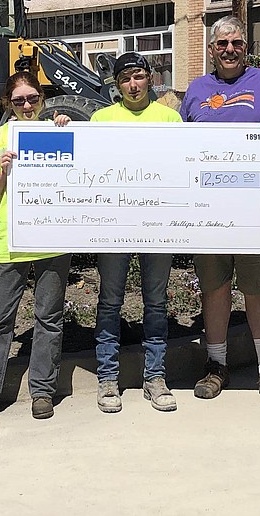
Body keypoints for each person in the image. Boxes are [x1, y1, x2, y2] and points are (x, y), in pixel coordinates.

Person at [180, 16, 260, 409]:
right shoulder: (197, 91)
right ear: (212, 48)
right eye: (222, 44)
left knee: (256, 287)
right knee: (214, 289)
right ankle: (216, 364)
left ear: (245, 47)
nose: (230, 50)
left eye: (236, 43)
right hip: (206, 211)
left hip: (253, 209)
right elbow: (176, 145)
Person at [0, 72, 72, 425]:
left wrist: (67, 128)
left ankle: (42, 391)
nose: (27, 106)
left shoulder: (58, 130)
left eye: (33, 99)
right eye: (19, 101)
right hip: (12, 242)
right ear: (8, 104)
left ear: (43, 99)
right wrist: (2, 171)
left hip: (53, 241)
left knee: (49, 320)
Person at [89, 52, 183, 414]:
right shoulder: (100, 119)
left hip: (159, 226)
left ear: (149, 79)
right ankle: (107, 378)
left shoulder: (171, 119)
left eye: (139, 77)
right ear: (117, 84)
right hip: (113, 227)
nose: (133, 84)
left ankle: (155, 377)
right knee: (110, 302)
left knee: (156, 304)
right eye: (125, 78)